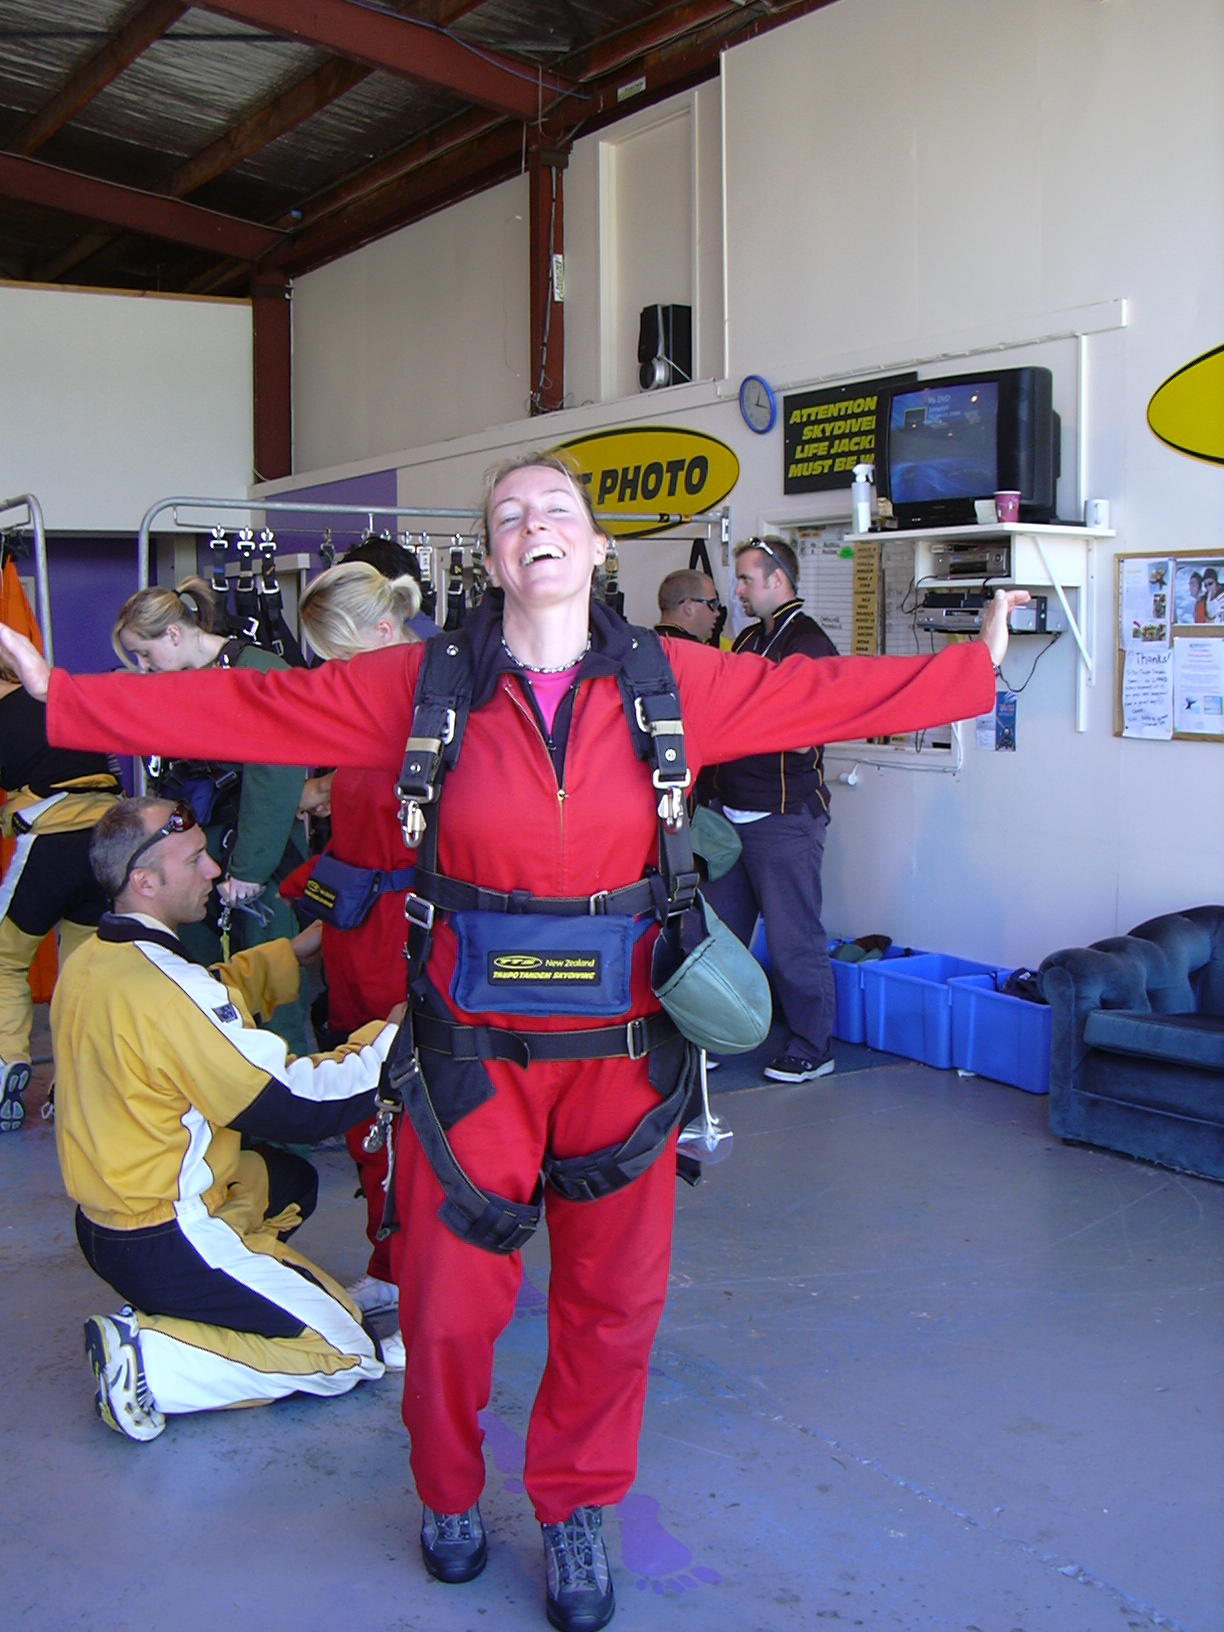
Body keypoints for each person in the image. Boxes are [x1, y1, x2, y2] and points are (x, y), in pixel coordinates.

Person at [0, 453, 1027, 1632]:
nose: (533, 524)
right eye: (508, 514)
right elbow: (257, 711)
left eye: (556, 509)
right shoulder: (423, 683)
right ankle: (447, 1489)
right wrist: (72, 700)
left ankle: (575, 1503)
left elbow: (826, 696)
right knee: (445, 1304)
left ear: (595, 545)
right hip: (470, 1058)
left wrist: (971, 668)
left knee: (614, 1302)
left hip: (625, 1057)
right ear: (492, 556)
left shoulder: (675, 678)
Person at [53, 794, 402, 1443]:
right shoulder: (166, 990)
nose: (214, 869)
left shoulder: (95, 960)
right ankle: (153, 1360)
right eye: (195, 860)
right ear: (146, 881)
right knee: (348, 1351)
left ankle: (226, 1289)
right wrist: (393, 1038)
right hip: (163, 1233)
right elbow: (297, 1105)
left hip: (106, 1222)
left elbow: (206, 992)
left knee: (288, 1182)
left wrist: (292, 954)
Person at [285, 559, 422, 1320]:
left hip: (411, 947)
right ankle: (389, 1264)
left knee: (423, 1124)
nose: (330, 673)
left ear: (383, 630)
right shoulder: (366, 710)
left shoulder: (440, 714)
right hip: (355, 945)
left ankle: (427, 1290)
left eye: (338, 655)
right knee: (368, 1116)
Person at [112, 578, 311, 1053]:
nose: (144, 666)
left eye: (145, 654)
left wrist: (250, 869)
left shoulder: (257, 673)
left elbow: (274, 776)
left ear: (173, 634)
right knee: (205, 984)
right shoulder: (182, 683)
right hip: (199, 852)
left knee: (270, 985)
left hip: (255, 856)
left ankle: (283, 1097)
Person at [700, 535, 840, 1083]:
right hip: (732, 813)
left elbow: (805, 736)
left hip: (783, 817)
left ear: (776, 579)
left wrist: (740, 720)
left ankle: (812, 1046)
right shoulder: (751, 638)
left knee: (792, 941)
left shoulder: (807, 643)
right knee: (720, 938)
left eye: (745, 579)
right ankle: (714, 1036)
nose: (736, 591)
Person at [0, 661, 121, 1129]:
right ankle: (74, 1081)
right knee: (81, 970)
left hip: (51, 838)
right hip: (107, 840)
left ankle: (7, 1064)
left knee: (5, 958)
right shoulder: (56, 695)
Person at [653, 568, 722, 644]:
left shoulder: (648, 644)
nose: (717, 613)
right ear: (689, 608)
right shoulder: (690, 649)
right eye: (713, 604)